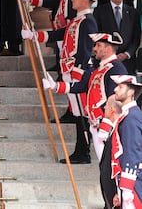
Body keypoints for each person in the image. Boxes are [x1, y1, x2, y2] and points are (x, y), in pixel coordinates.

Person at [22, 0, 98, 164]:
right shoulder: (78, 20)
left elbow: (87, 51)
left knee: (81, 113)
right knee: (77, 112)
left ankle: (83, 151)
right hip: (69, 70)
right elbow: (61, 34)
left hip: (76, 73)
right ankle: (81, 150)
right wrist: (36, 36)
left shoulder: (88, 21)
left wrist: (78, 74)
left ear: (86, 0)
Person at [43, 31, 128, 163]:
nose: (94, 48)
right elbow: (82, 86)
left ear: (109, 48)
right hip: (96, 124)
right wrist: (55, 85)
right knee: (105, 166)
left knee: (111, 166)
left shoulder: (116, 69)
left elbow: (116, 100)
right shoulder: (100, 67)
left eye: (99, 45)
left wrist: (106, 125)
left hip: (108, 126)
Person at [93, 0, 141, 75]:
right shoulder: (100, 11)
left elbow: (136, 38)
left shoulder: (133, 12)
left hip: (127, 62)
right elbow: (97, 35)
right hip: (105, 61)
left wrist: (127, 54)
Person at [110, 75, 142, 208]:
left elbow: (132, 151)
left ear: (131, 92)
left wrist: (127, 188)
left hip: (133, 181)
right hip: (128, 179)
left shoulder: (131, 117)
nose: (116, 89)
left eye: (121, 87)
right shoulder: (130, 114)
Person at [99, 95, 122, 209]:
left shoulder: (121, 129)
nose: (104, 107)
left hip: (116, 188)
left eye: (106, 105)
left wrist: (120, 192)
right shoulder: (114, 127)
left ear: (112, 109)